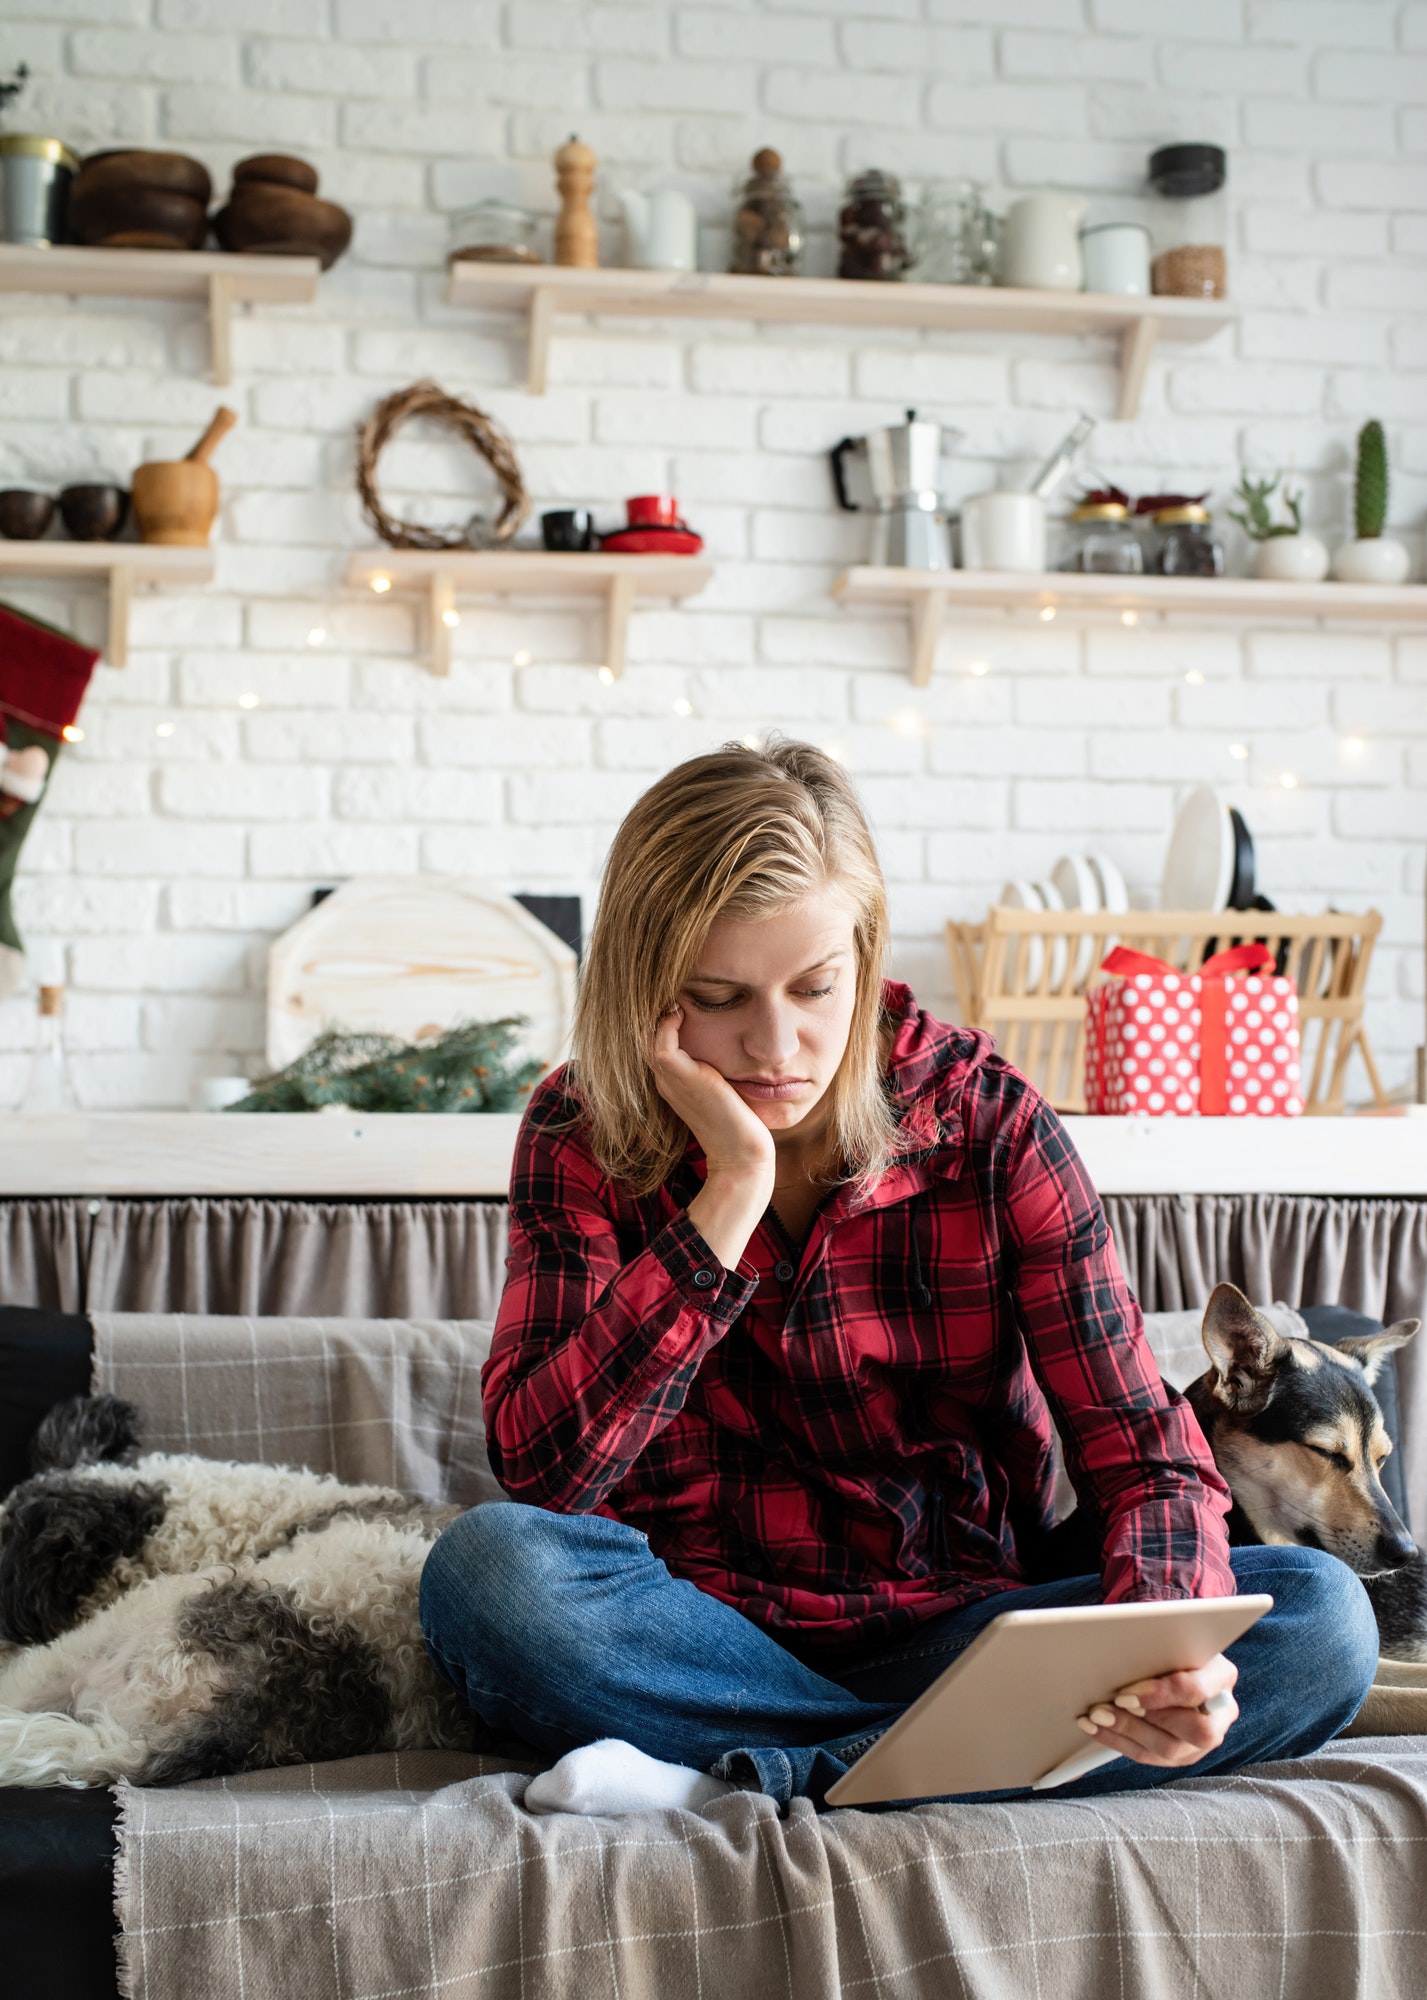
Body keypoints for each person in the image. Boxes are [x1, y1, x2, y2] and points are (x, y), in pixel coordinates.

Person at [420, 740, 1377, 1815]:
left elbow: (1137, 1442)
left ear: (864, 959)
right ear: (644, 986)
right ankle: (910, 1765)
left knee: (1322, 1621)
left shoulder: (986, 1120)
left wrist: (1165, 1646)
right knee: (487, 1576)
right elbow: (546, 1476)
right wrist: (728, 1191)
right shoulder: (577, 1125)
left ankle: (728, 1778)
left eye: (815, 987)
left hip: (964, 1633)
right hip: (695, 1635)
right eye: (716, 995)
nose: (774, 1044)